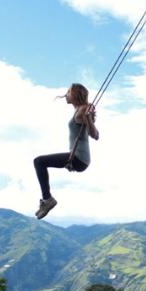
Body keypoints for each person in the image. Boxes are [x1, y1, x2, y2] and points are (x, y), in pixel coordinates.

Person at [33, 83, 99, 220]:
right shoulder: (80, 110)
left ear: (75, 94)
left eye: (69, 92)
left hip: (79, 157)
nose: (66, 95)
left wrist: (88, 119)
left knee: (39, 161)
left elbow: (95, 135)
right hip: (78, 158)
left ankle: (48, 199)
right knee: (39, 162)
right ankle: (47, 199)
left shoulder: (83, 110)